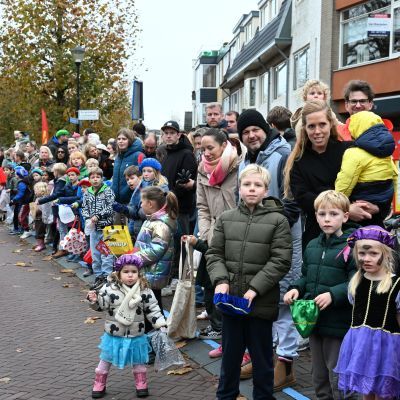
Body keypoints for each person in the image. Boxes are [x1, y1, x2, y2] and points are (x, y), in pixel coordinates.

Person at [207, 164, 292, 400]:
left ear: (266, 190)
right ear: (239, 188)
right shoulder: (226, 218)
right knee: (230, 359)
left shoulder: (278, 220)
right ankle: (226, 396)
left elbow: (281, 260)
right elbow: (214, 254)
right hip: (231, 301)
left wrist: (256, 288)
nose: (252, 189)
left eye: (258, 185)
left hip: (260, 303)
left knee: (262, 360)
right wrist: (221, 280)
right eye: (247, 184)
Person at [237, 109, 302, 387]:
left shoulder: (284, 154)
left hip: (282, 240)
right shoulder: (245, 160)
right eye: (246, 132)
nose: (252, 135)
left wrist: (271, 228)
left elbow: (293, 200)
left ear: (266, 129)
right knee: (262, 304)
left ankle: (285, 365)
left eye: (256, 129)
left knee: (284, 303)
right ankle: (263, 357)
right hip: (255, 243)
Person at [284, 190, 357, 400]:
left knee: (338, 375)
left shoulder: (352, 247)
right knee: (319, 376)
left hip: (338, 323)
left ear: (345, 216)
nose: (327, 219)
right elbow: (306, 275)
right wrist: (296, 288)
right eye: (322, 214)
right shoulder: (312, 245)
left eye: (333, 214)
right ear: (315, 216)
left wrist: (333, 294)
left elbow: (356, 282)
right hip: (313, 322)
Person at [284, 100, 376, 249]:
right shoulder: (298, 162)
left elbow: (370, 183)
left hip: (357, 234)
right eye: (311, 126)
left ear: (331, 124)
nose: (317, 131)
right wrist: (346, 209)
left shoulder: (349, 150)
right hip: (318, 239)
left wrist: (377, 206)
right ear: (305, 128)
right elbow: (304, 199)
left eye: (322, 124)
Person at [87, 254, 167, 398]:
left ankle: (141, 383)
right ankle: (99, 383)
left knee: (139, 361)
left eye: (134, 272)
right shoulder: (109, 288)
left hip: (136, 333)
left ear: (139, 273)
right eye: (126, 271)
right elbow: (101, 306)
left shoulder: (144, 289)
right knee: (105, 360)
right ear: (119, 273)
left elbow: (153, 309)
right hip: (114, 334)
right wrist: (94, 300)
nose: (130, 275)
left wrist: (160, 324)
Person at [334, 226, 400, 399]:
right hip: (360, 345)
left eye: (373, 254)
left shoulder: (396, 285)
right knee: (366, 391)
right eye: (362, 254)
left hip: (386, 347)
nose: (366, 259)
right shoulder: (356, 283)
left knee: (384, 393)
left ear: (386, 254)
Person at [196, 128, 245, 344]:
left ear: (224, 145)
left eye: (210, 148)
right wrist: (207, 233)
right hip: (214, 236)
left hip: (238, 234)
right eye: (202, 149)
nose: (206, 153)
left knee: (235, 285)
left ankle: (235, 335)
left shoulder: (239, 167)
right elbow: (202, 207)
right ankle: (221, 330)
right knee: (212, 283)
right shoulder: (202, 171)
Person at [335, 111, 397, 227]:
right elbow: (394, 175)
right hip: (381, 202)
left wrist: (337, 203)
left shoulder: (353, 153)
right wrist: (386, 204)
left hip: (360, 203)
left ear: (356, 128)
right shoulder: (386, 153)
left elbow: (346, 181)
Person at [130, 186, 177, 326]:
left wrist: (134, 258)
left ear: (150, 204)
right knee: (151, 305)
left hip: (153, 273)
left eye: (142, 202)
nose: (140, 205)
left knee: (152, 307)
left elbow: (156, 249)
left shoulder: (160, 224)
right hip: (149, 272)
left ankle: (156, 333)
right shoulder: (152, 221)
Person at [82, 167, 115, 286]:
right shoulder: (87, 193)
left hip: (106, 228)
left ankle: (107, 277)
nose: (95, 179)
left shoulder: (108, 191)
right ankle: (98, 276)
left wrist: (98, 216)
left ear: (102, 178)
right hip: (93, 229)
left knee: (106, 254)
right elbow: (84, 207)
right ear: (89, 179)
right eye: (93, 177)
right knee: (95, 254)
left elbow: (110, 207)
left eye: (98, 177)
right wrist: (87, 217)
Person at [111, 128, 145, 220]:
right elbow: (115, 177)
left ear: (130, 140)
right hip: (116, 202)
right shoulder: (117, 156)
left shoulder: (139, 155)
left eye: (124, 139)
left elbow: (143, 178)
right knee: (116, 228)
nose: (121, 141)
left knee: (130, 228)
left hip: (131, 203)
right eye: (119, 139)